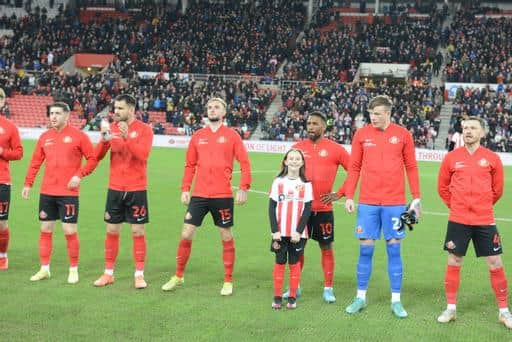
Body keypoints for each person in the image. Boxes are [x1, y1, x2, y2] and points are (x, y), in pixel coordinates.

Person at [161, 97, 251, 296]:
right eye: (209, 107)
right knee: (186, 234)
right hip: (199, 195)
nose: (212, 110)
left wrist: (244, 187)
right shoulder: (198, 136)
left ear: (224, 112)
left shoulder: (232, 135)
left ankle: (228, 280)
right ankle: (178, 275)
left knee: (226, 235)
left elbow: (244, 163)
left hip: (222, 195)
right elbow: (189, 165)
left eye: (216, 107)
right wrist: (185, 188)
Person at [343, 95, 421, 318]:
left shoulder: (403, 135)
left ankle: (396, 300)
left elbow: (412, 167)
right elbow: (354, 166)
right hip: (367, 202)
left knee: (394, 249)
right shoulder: (362, 134)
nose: (373, 117)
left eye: (377, 113)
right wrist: (350, 195)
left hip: (395, 203)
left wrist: (416, 198)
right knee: (365, 249)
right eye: (370, 114)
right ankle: (360, 297)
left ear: (388, 113)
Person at [437, 116, 512, 328]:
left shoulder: (492, 158)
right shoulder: (452, 158)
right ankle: (451, 308)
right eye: (466, 128)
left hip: (484, 219)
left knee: (495, 263)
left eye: (473, 128)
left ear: (482, 133)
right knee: (454, 261)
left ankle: (504, 312)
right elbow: (442, 188)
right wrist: (458, 206)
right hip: (458, 219)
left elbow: (497, 190)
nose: (468, 131)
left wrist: (482, 204)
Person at [22, 102, 97, 283]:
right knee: (45, 228)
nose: (53, 116)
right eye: (51, 113)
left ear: (67, 116)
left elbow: (93, 159)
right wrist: (28, 184)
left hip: (68, 193)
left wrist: (79, 175)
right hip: (47, 191)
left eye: (57, 113)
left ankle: (73, 269)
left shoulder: (79, 136)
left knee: (69, 230)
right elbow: (35, 162)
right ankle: (44, 269)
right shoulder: (44, 137)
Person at [286, 111, 350, 303]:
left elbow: (354, 171)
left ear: (323, 127)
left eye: (315, 123)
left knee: (326, 246)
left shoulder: (336, 149)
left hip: (323, 209)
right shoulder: (297, 148)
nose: (310, 127)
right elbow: (284, 175)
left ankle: (328, 288)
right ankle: (294, 287)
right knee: (297, 247)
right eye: (308, 123)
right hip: (299, 210)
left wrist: (339, 193)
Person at [93, 94, 154, 289]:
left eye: (120, 108)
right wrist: (103, 141)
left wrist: (127, 137)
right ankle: (108, 273)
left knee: (137, 230)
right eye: (115, 108)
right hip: (115, 188)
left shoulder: (145, 130)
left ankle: (139, 274)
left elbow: (142, 155)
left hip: (136, 188)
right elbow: (98, 156)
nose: (116, 112)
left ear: (131, 110)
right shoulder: (111, 128)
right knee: (111, 230)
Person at [269, 149, 312, 310]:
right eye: (291, 158)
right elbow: (271, 207)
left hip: (297, 234)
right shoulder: (278, 182)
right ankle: (277, 296)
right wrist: (275, 230)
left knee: (294, 263)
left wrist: (299, 231)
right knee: (280, 262)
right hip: (280, 233)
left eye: (297, 159)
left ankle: (293, 297)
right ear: (286, 161)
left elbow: (307, 209)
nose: (294, 161)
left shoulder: (306, 185)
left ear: (302, 163)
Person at [0, 88, 23, 270]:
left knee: (1, 222)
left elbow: (19, 153)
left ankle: (2, 256)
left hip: (2, 181)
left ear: (2, 103)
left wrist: (2, 152)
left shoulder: (9, 127)